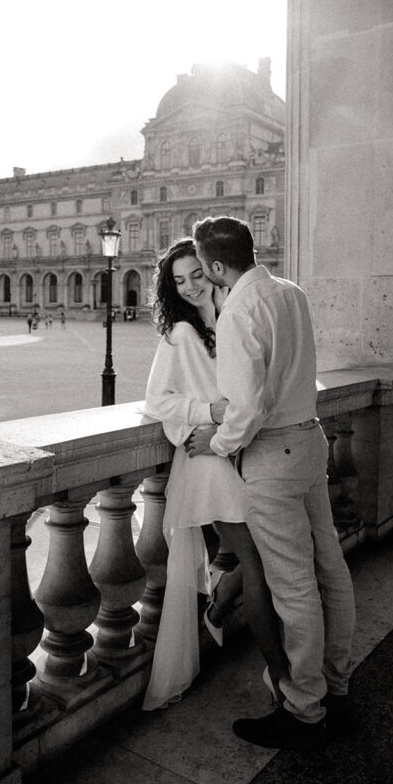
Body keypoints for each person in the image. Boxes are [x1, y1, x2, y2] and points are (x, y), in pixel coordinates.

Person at [188, 216, 356, 751]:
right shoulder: (290, 291)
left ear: (216, 265)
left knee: (292, 585)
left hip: (274, 455)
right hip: (310, 439)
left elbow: (246, 408)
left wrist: (213, 443)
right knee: (329, 565)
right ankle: (336, 681)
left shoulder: (238, 309)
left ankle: (304, 709)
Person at [142, 238, 289, 711]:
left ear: (213, 270)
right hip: (205, 460)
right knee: (260, 559)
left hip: (236, 453)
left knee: (261, 556)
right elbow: (156, 400)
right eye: (178, 281)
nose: (188, 287)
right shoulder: (180, 334)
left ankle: (221, 605)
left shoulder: (227, 319)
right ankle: (283, 680)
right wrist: (210, 409)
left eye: (196, 276)